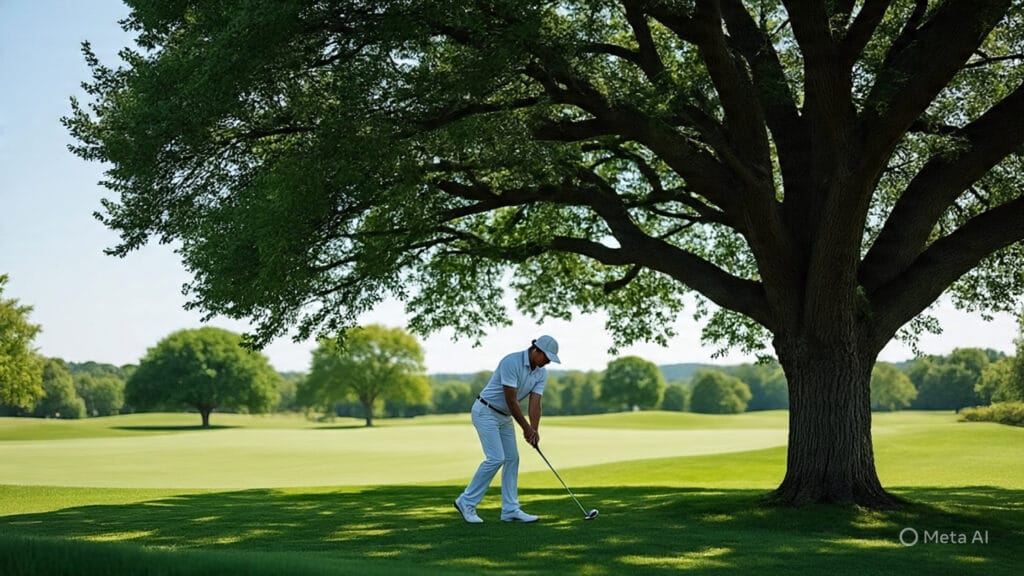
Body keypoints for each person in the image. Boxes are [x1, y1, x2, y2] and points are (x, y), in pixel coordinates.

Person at [454, 335, 561, 523]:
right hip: (485, 411)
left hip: (504, 417)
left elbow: (535, 403)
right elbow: (511, 401)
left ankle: (510, 509)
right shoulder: (511, 362)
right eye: (546, 357)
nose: (547, 362)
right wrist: (526, 428)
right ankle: (466, 501)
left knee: (512, 458)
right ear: (536, 350)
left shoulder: (541, 373)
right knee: (496, 458)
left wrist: (534, 431)